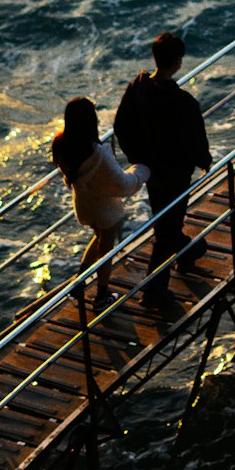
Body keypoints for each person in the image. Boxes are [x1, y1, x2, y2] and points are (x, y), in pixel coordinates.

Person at [113, 32, 212, 305]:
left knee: (165, 220)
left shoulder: (137, 89)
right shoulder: (183, 103)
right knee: (167, 228)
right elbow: (194, 141)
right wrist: (205, 161)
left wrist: (139, 158)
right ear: (178, 62)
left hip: (151, 171)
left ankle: (188, 251)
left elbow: (120, 126)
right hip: (176, 174)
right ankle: (154, 292)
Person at [52, 96, 149, 310]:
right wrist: (142, 171)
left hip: (84, 205)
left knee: (99, 238)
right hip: (105, 209)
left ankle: (79, 280)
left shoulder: (62, 145)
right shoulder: (98, 154)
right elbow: (123, 184)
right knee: (107, 250)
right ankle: (101, 296)